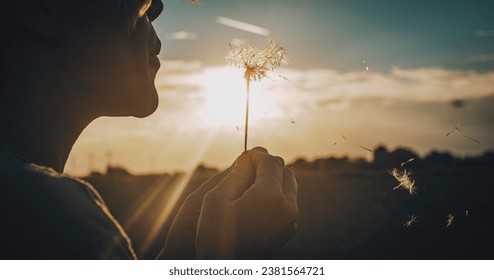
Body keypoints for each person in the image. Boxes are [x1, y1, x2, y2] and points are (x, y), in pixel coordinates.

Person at [0, 0, 298, 259]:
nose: (156, 21)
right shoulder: (51, 225)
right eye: (142, 7)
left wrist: (181, 256)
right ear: (39, 4)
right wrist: (227, 261)